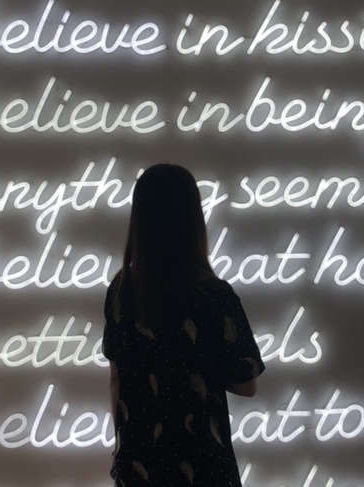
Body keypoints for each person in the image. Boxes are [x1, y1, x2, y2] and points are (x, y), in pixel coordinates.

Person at [103, 164, 265, 487]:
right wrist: (192, 363)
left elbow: (117, 380)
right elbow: (247, 384)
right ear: (193, 220)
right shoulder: (215, 295)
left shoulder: (122, 290)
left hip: (140, 464)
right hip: (203, 464)